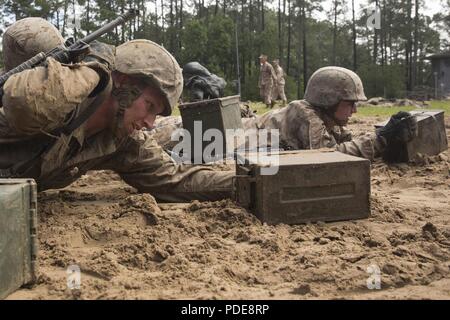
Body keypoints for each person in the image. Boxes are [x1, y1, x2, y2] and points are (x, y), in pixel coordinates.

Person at [0, 19, 234, 202]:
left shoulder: (122, 139)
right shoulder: (60, 99)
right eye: (149, 106)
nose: (151, 123)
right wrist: (95, 70)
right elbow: (23, 103)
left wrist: (247, 181)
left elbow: (175, 179)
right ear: (122, 82)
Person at [242, 66, 417, 161]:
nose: (354, 110)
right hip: (232, 137)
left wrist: (387, 139)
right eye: (350, 104)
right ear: (329, 101)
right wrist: (380, 139)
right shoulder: (306, 115)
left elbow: (346, 143)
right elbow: (328, 156)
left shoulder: (328, 120)